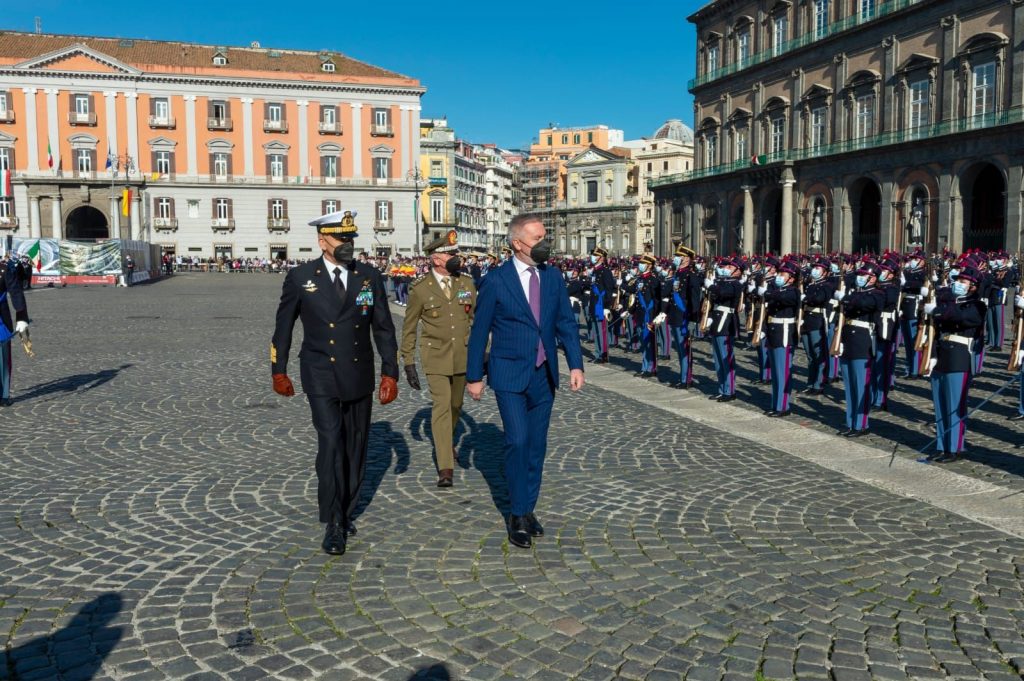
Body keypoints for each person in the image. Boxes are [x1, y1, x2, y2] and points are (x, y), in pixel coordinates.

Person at [271, 209, 399, 556]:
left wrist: (390, 372)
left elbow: (383, 328)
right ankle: (334, 520)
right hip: (320, 372)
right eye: (341, 239)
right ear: (322, 241)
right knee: (330, 441)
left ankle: (347, 506)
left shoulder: (369, 276)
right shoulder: (300, 277)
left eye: (351, 238)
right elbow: (283, 327)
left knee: (356, 444)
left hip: (358, 373)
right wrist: (278, 369)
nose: (348, 244)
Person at [466, 214, 584, 550]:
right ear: (517, 243)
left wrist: (575, 365)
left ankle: (528, 507)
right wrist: (475, 376)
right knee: (516, 441)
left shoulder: (553, 277)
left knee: (536, 446)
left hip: (543, 374)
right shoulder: (496, 280)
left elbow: (565, 323)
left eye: (545, 236)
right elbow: (479, 332)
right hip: (508, 373)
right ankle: (516, 514)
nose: (546, 243)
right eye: (538, 238)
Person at [400, 230, 476, 487]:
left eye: (456, 252)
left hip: (462, 355)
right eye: (450, 254)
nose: (456, 257)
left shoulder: (466, 283)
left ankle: (448, 439)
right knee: (441, 406)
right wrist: (408, 361)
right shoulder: (420, 289)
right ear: (436, 259)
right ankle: (446, 466)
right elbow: (409, 327)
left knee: (456, 406)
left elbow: (474, 320)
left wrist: (482, 352)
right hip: (435, 356)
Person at [920, 266, 987, 462]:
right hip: (941, 355)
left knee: (954, 405)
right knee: (940, 404)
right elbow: (935, 324)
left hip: (959, 357)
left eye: (964, 282)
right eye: (958, 280)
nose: (958, 284)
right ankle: (942, 446)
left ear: (973, 287)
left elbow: (960, 317)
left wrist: (937, 310)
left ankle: (955, 448)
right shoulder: (949, 301)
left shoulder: (977, 305)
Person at [834, 262, 884, 437]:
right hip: (848, 340)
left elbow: (863, 304)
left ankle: (862, 424)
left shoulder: (877, 294)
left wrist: (844, 298)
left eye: (864, 275)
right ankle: (851, 422)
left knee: (861, 385)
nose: (860, 277)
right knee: (849, 386)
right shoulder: (854, 293)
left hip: (863, 343)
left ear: (873, 278)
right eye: (859, 274)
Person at [763, 260, 800, 416]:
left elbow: (780, 298)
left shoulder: (793, 292)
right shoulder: (777, 290)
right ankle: (776, 404)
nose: (778, 276)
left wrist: (767, 293)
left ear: (791, 278)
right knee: (776, 373)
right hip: (773, 332)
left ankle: (783, 406)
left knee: (782, 372)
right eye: (778, 273)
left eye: (782, 274)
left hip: (784, 334)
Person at [705, 257, 744, 402]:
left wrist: (711, 287)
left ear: (737, 271)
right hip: (717, 320)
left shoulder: (736, 284)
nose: (726, 269)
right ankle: (722, 389)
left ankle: (730, 390)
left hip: (727, 322)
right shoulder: (723, 282)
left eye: (730, 267)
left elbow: (724, 293)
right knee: (717, 358)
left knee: (726, 358)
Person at [1, 255, 30, 406]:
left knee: (4, 359)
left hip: (1, 321)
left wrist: (21, 317)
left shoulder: (4, 270)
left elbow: (16, 292)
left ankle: (4, 395)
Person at [587, 247, 616, 363]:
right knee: (596, 330)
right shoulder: (595, 271)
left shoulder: (605, 271)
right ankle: (597, 353)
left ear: (601, 258)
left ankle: (603, 355)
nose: (593, 257)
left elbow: (609, 290)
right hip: (595, 304)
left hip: (601, 305)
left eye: (595, 255)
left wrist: (607, 307)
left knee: (602, 331)